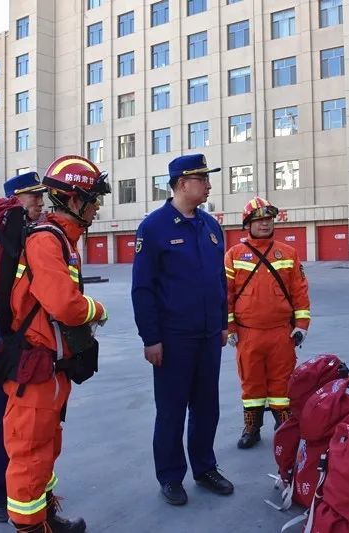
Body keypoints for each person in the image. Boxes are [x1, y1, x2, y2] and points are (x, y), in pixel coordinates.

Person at [5, 155, 109, 532]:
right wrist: (96, 309)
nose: (97, 208)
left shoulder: (62, 239)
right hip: (33, 367)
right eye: (94, 199)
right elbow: (64, 303)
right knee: (29, 453)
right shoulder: (47, 240)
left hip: (50, 366)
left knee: (47, 446)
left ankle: (45, 516)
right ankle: (30, 527)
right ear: (75, 199)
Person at [131, 153, 234, 506]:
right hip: (173, 339)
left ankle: (205, 468)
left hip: (208, 336)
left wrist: (222, 323)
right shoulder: (154, 227)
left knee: (207, 408)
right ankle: (171, 476)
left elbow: (219, 280)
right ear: (180, 183)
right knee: (172, 410)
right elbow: (142, 288)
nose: (208, 184)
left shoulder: (210, 226)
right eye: (202, 179)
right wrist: (151, 338)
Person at [0, 172, 47, 522]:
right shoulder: (2, 239)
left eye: (40, 196)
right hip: (5, 346)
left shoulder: (37, 235)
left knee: (26, 426)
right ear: (13, 200)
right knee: (1, 420)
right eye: (32, 196)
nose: (39, 202)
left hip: (30, 346)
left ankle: (25, 489)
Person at [225, 197, 310, 449]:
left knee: (282, 383)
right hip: (247, 334)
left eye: (268, 219)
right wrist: (230, 327)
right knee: (251, 383)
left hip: (281, 333)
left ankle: (283, 426)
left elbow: (300, 291)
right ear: (247, 224)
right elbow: (226, 295)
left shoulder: (288, 253)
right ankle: (252, 427)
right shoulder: (234, 255)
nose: (264, 224)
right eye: (258, 220)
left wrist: (301, 326)